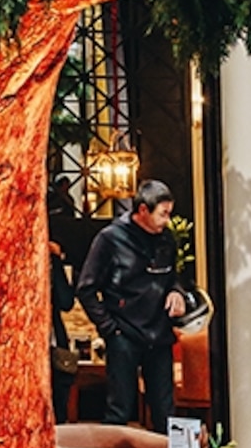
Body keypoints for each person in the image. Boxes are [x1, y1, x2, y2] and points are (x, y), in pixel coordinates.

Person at [78, 179, 188, 430]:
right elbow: (86, 288)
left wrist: (176, 292)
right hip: (124, 333)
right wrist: (109, 329)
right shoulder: (110, 239)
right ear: (142, 211)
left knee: (165, 410)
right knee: (120, 408)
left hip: (159, 333)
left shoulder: (166, 240)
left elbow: (174, 278)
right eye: (163, 214)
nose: (167, 221)